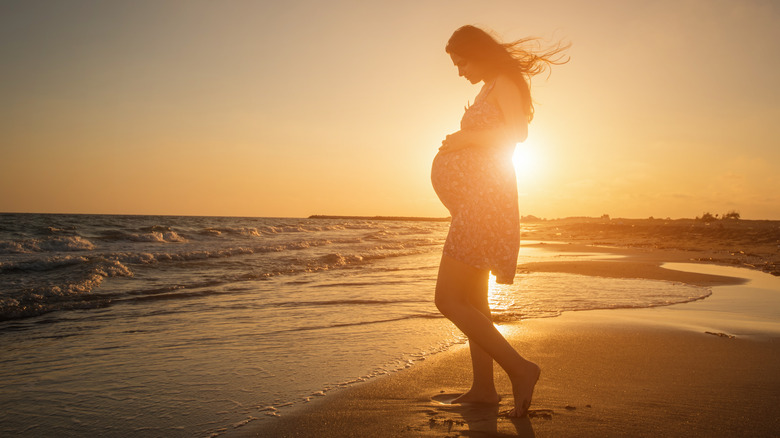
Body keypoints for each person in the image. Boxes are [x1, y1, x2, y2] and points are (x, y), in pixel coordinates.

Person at [431, 25, 568, 417]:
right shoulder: (489, 85)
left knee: (447, 299)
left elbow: (518, 134)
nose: (459, 71)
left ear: (478, 53)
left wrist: (463, 139)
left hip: (484, 203)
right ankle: (484, 389)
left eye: (462, 61)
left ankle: (521, 369)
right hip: (476, 202)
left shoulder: (504, 81)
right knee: (474, 300)